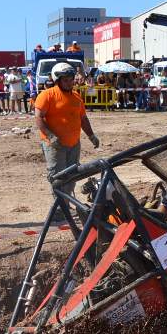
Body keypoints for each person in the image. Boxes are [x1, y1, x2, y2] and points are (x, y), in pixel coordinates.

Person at [34, 62, 99, 219]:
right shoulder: (47, 95)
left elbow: (83, 119)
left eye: (71, 79)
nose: (69, 83)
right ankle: (59, 208)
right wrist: (50, 136)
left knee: (72, 176)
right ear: (58, 80)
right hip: (54, 145)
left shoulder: (76, 97)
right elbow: (39, 117)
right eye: (66, 80)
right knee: (57, 176)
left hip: (73, 143)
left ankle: (65, 205)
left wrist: (91, 135)